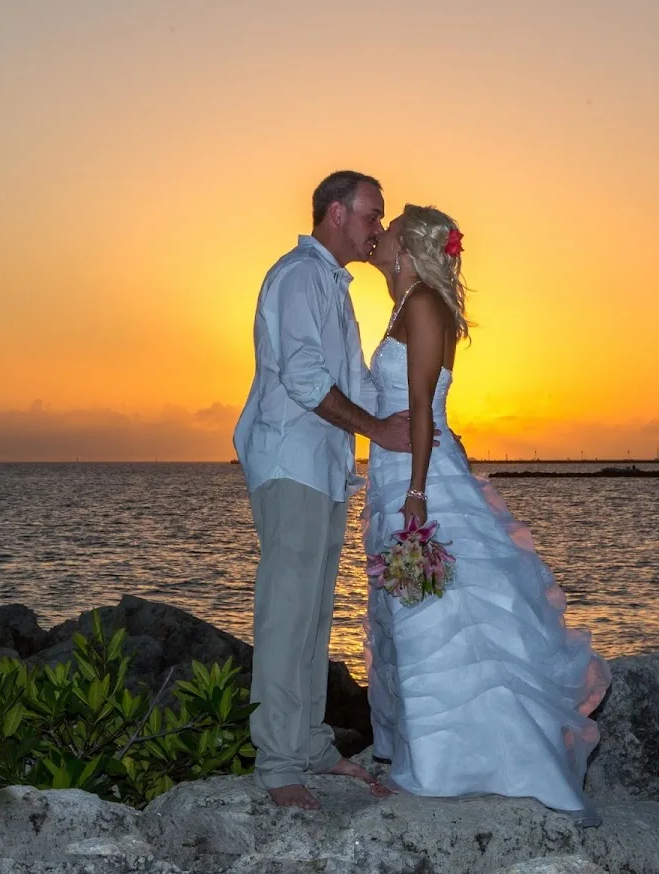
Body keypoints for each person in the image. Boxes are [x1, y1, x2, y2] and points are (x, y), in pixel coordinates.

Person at [362, 204, 612, 825]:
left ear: (408, 248)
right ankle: (436, 755)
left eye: (390, 230)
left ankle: (445, 768)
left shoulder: (421, 305)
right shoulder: (408, 303)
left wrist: (416, 494)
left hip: (420, 474)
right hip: (399, 469)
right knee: (426, 611)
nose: (380, 233)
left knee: (440, 614)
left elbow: (421, 403)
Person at [234, 171, 419, 810]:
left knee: (313, 611)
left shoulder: (333, 290)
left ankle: (309, 742)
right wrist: (376, 430)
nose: (377, 228)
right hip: (290, 463)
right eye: (373, 215)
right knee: (286, 611)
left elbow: (357, 386)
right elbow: (305, 378)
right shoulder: (297, 276)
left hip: (325, 468)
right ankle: (279, 760)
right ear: (336, 212)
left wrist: (415, 421)